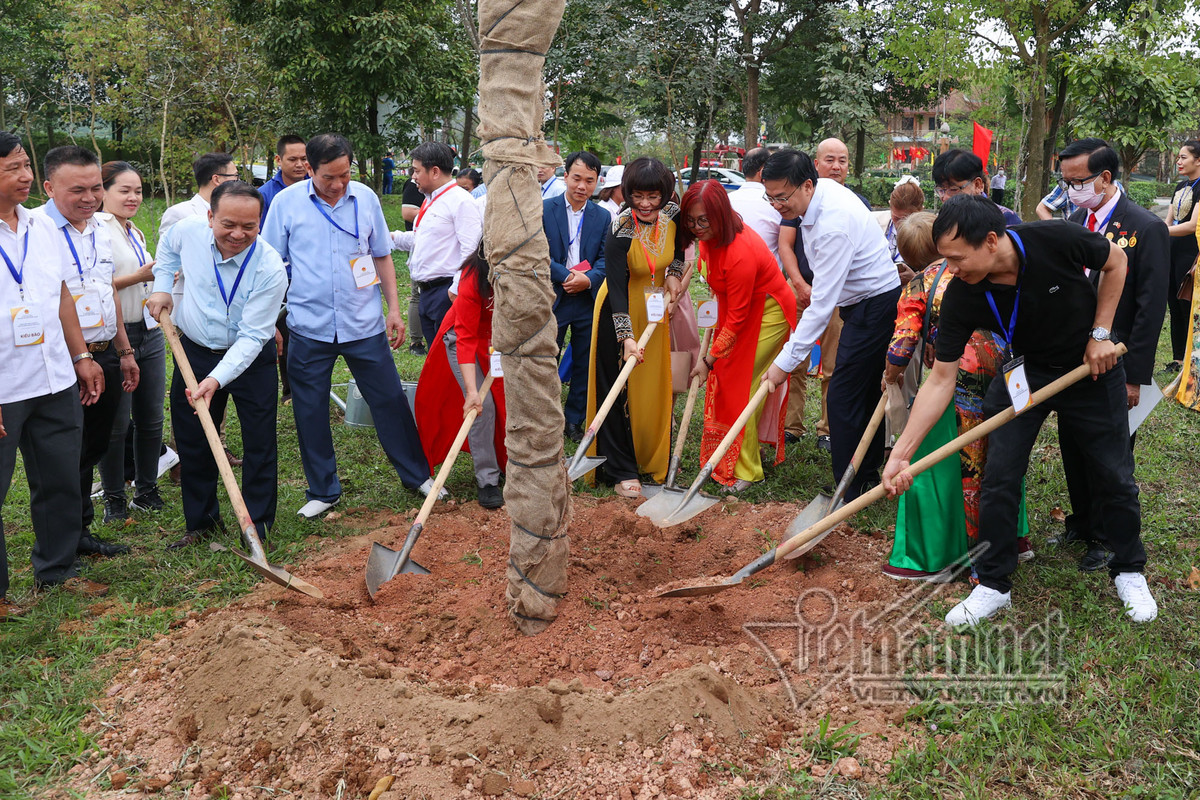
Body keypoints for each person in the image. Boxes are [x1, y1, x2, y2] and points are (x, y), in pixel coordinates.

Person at [883, 195, 1157, 626]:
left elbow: (1117, 261)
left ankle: (1129, 569)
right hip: (1025, 374)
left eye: (957, 258)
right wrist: (902, 454)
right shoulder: (962, 294)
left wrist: (1101, 333)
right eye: (945, 259)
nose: (950, 269)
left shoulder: (1057, 237)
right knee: (999, 478)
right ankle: (993, 583)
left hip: (1088, 369)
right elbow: (940, 380)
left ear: (991, 241)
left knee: (1113, 474)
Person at [261, 133, 435, 517]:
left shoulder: (366, 198)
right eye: (329, 177)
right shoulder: (286, 204)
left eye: (345, 175)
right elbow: (270, 266)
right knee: (310, 409)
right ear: (309, 169)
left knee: (389, 400)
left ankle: (417, 475)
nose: (339, 184)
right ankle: (323, 491)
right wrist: (268, 320)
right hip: (308, 325)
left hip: (363, 324)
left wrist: (393, 309)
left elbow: (382, 255)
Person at [881, 211, 1031, 581]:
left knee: (951, 464)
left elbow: (903, 342)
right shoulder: (984, 269)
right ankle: (1014, 540)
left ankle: (945, 555)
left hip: (956, 380)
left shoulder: (921, 282)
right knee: (1001, 454)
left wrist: (891, 374)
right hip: (1006, 371)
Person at [0, 132, 110, 613]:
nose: (26, 176)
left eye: (26, 165)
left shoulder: (41, 226)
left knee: (61, 477)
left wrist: (81, 357)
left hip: (53, 378)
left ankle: (58, 569)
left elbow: (61, 293)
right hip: (4, 386)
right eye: (13, 168)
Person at [147, 181, 288, 548]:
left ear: (260, 222)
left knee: (259, 441)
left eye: (249, 226)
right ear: (210, 217)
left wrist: (216, 379)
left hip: (250, 358)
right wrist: (161, 286)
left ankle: (257, 527)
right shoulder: (187, 231)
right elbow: (167, 250)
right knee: (193, 440)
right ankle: (202, 524)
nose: (238, 234)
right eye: (228, 224)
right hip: (193, 352)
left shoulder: (270, 268)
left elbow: (253, 337)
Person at [761, 149, 901, 500]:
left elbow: (821, 306)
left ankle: (850, 489)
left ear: (807, 185)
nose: (776, 205)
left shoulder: (833, 225)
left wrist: (783, 363)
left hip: (874, 305)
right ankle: (863, 477)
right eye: (770, 197)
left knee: (843, 396)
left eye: (782, 197)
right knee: (862, 393)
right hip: (862, 302)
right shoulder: (816, 197)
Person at [1056, 138, 1168, 572]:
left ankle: (1105, 536)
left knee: (1109, 453)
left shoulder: (1144, 227)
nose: (1071, 190)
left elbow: (1150, 307)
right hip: (1074, 358)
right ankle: (1081, 521)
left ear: (1105, 177)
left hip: (1116, 359)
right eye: (1066, 182)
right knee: (1072, 443)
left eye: (1078, 182)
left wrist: (1134, 375)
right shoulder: (1075, 221)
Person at [34, 146, 138, 558]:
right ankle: (60, 542)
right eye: (77, 190)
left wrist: (124, 350)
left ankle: (79, 532)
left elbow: (107, 288)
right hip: (65, 359)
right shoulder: (37, 230)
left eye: (95, 188)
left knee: (93, 445)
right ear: (49, 187)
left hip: (104, 353)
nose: (90, 198)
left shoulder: (100, 226)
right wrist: (81, 358)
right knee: (64, 452)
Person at [682, 180, 796, 490]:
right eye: (691, 221)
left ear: (720, 215)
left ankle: (746, 471)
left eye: (703, 220)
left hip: (768, 313)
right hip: (738, 308)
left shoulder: (740, 253)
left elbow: (737, 318)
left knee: (742, 385)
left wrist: (709, 360)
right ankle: (737, 452)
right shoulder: (709, 238)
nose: (696, 228)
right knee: (731, 382)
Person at [585, 157, 684, 496]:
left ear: (665, 194)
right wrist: (626, 338)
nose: (645, 204)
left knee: (651, 386)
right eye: (637, 196)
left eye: (653, 196)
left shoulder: (673, 215)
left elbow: (679, 251)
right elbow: (615, 286)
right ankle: (620, 468)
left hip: (655, 312)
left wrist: (673, 274)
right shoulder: (621, 228)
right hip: (619, 311)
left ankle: (648, 457)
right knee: (618, 388)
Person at [778, 137, 865, 453]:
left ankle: (828, 429)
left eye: (842, 160)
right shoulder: (798, 198)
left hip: (838, 296)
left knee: (834, 365)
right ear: (816, 164)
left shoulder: (855, 202)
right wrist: (800, 284)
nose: (836, 166)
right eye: (830, 159)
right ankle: (791, 426)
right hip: (800, 290)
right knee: (794, 360)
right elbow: (785, 245)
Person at [95, 162, 167, 523]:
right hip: (115, 336)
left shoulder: (134, 230)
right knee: (116, 423)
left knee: (151, 418)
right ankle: (114, 497)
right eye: (124, 190)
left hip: (150, 333)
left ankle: (147, 490)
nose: (133, 197)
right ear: (103, 191)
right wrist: (138, 277)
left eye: (138, 191)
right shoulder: (97, 230)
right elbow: (95, 287)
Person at [414, 252, 506, 508]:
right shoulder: (472, 276)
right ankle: (487, 480)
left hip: (501, 341)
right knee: (483, 407)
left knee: (510, 402)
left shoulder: (525, 270)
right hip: (464, 337)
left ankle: (513, 464)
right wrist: (472, 392)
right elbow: (465, 337)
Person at [390, 142, 483, 346]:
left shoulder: (460, 201)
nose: (413, 177)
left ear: (434, 171)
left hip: (446, 292)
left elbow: (472, 249)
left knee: (450, 356)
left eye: (416, 171)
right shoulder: (431, 200)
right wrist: (391, 238)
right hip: (427, 293)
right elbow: (422, 239)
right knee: (435, 355)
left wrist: (456, 289)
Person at [545, 151, 608, 442]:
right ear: (566, 176)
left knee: (584, 361)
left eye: (589, 181)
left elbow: (605, 259)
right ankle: (546, 416)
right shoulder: (545, 209)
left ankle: (573, 419)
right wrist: (566, 276)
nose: (582, 186)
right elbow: (537, 254)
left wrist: (588, 279)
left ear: (597, 182)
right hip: (553, 296)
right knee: (547, 358)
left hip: (587, 299)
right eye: (577, 178)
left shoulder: (602, 216)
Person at [1164, 140, 1200, 373]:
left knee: (1188, 304)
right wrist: (1161, 233)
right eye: (1178, 157)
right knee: (1174, 304)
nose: (1178, 161)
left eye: (1183, 157)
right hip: (1172, 250)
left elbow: (1192, 225)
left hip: (1192, 252)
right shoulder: (1179, 186)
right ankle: (1178, 359)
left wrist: (1159, 231)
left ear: (1198, 160)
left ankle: (1191, 358)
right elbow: (1169, 220)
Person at [158, 153, 239, 239]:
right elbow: (166, 246)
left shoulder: (237, 211)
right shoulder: (178, 214)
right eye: (236, 176)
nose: (239, 182)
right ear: (216, 179)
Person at [932, 149, 1021, 226]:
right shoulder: (943, 220)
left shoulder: (1004, 218)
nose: (945, 197)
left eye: (953, 189)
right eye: (941, 190)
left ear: (978, 185)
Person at [728, 147, 782, 266]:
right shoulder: (778, 203)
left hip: (730, 272)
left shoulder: (726, 201)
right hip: (769, 274)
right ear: (762, 172)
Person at [399, 165, 428, 355]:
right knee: (417, 294)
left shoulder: (443, 194)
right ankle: (416, 342)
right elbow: (407, 213)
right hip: (420, 249)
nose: (415, 176)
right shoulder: (412, 186)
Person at [873, 175, 924, 272]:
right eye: (896, 218)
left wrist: (914, 277)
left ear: (921, 211)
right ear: (890, 205)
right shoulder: (874, 223)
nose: (899, 225)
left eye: (906, 219)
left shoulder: (927, 235)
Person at [258, 135, 308, 224]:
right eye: (292, 159)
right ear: (278, 160)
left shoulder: (318, 188)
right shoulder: (265, 195)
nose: (300, 164)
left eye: (304, 159)